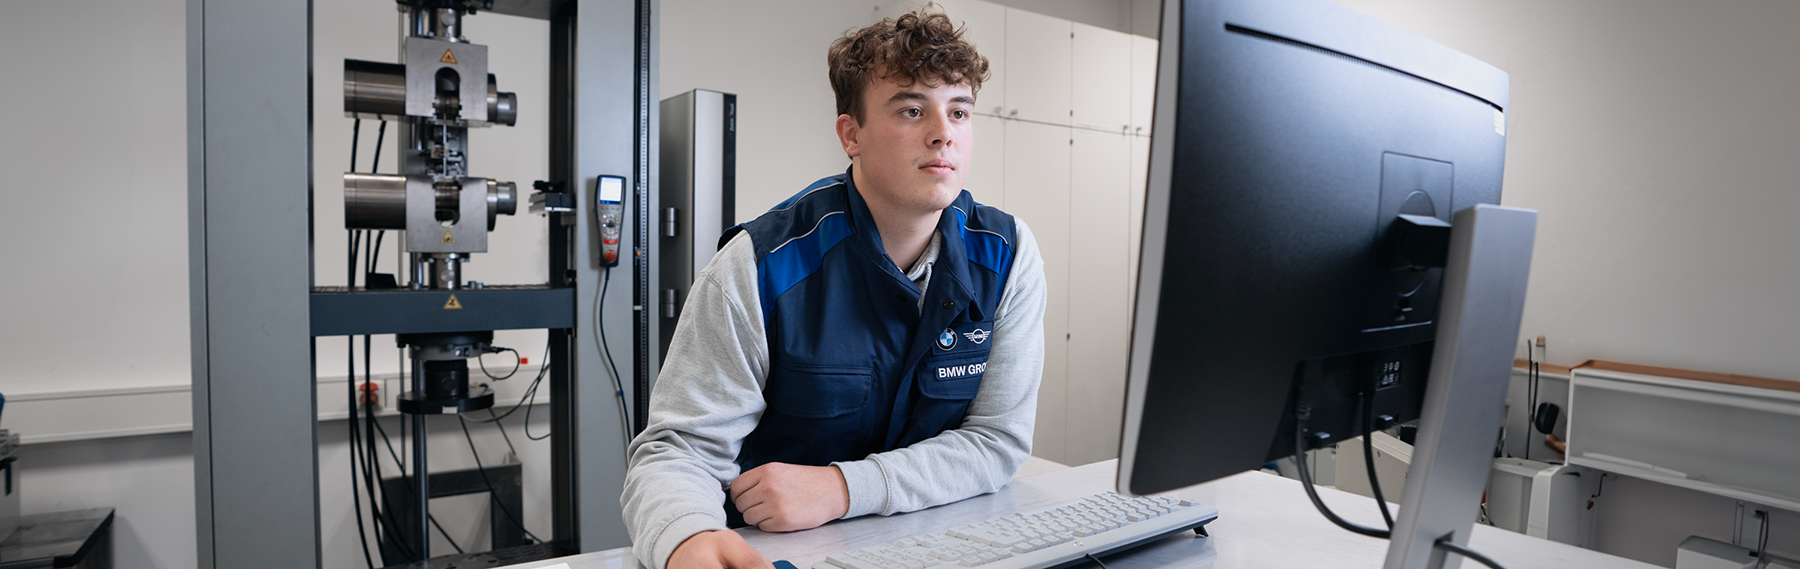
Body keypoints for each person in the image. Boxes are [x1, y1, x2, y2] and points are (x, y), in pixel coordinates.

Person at [621, 9, 1047, 569]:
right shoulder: (759, 265)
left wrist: (845, 488)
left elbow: (997, 440)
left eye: (960, 111)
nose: (944, 132)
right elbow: (677, 454)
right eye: (912, 109)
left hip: (939, 541)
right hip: (779, 552)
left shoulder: (1008, 254)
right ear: (852, 134)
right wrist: (685, 539)